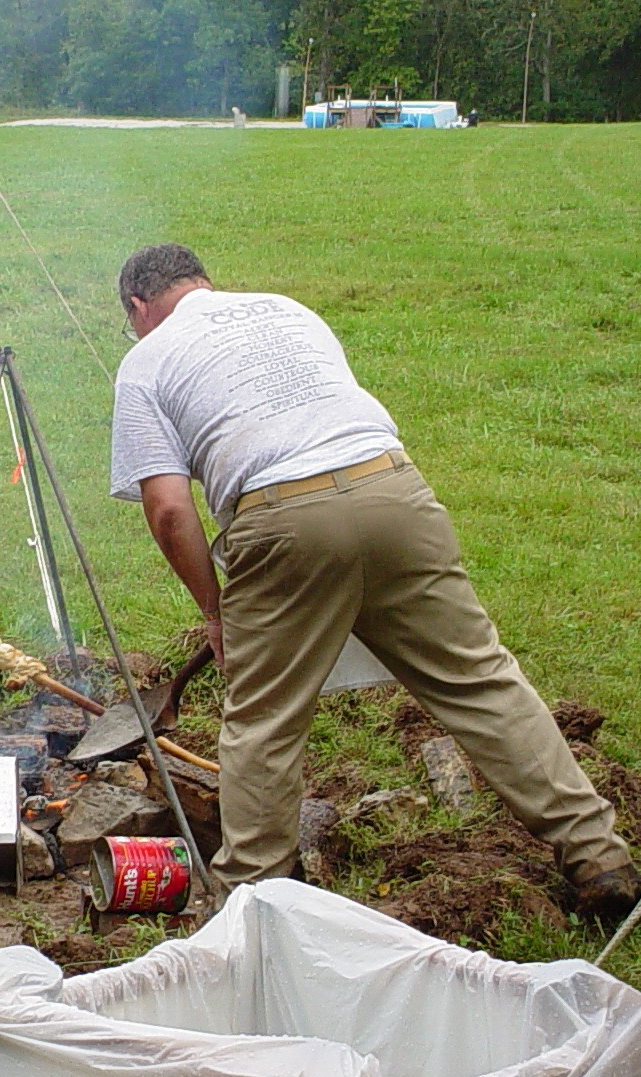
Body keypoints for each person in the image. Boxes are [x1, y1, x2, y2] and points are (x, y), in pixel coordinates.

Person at [109, 242, 638, 918]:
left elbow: (168, 508)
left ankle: (252, 905)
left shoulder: (146, 359)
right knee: (482, 682)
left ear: (138, 306)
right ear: (203, 282)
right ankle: (598, 856)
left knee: (265, 718)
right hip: (396, 493)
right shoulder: (286, 309)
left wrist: (215, 612)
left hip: (284, 521)